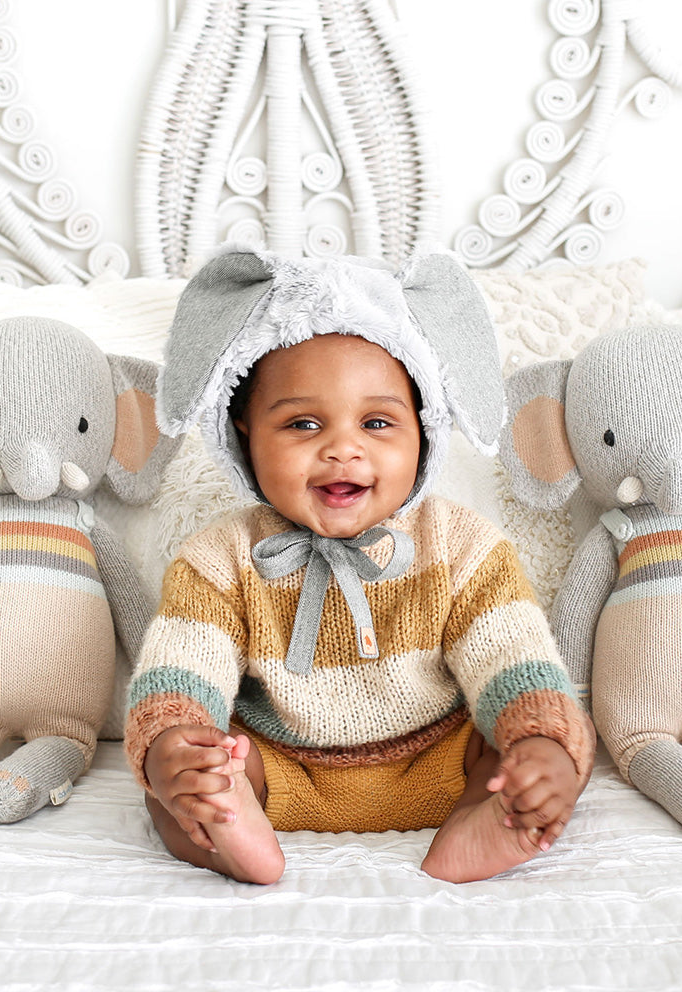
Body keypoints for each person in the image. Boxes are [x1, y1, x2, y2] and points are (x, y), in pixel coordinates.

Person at [124, 248, 595, 884]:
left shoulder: (460, 546)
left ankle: (490, 821)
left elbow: (513, 659)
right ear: (245, 435)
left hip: (445, 760)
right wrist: (172, 748)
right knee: (179, 790)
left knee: (538, 750)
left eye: (377, 422)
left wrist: (540, 742)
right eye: (302, 423)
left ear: (424, 432)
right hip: (281, 770)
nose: (343, 448)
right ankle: (230, 827)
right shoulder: (222, 559)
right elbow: (182, 671)